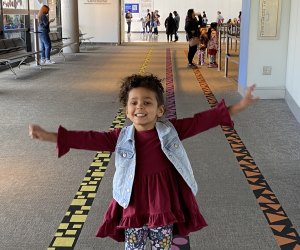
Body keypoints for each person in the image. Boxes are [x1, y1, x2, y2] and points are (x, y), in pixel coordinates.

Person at [29, 73, 257, 250]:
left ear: (159, 110)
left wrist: (238, 106)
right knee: (134, 244)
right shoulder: (119, 137)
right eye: (134, 103)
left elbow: (202, 121)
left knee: (161, 243)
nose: (140, 107)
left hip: (162, 201)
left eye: (147, 102)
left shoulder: (171, 130)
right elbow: (88, 139)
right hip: (133, 201)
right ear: (127, 111)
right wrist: (50, 136)